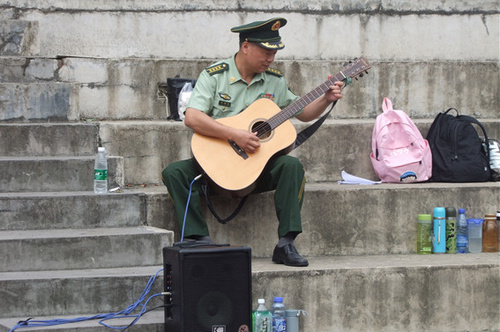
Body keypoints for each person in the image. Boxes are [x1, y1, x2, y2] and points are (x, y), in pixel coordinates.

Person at [162, 17, 343, 267]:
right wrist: (234, 134)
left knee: (292, 167)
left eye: (274, 52)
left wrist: (325, 99)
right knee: (175, 172)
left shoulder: (274, 80)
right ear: (245, 46)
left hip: (256, 170)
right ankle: (197, 238)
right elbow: (192, 118)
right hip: (215, 167)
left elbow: (302, 112)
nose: (271, 58)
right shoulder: (215, 76)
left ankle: (286, 244)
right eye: (266, 51)